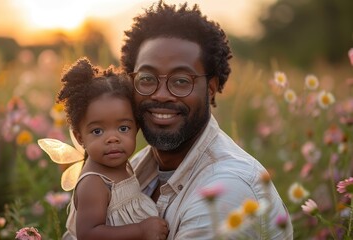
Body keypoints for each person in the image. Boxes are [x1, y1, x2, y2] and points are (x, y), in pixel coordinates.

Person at [120, 1, 293, 239]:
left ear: (210, 88)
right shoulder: (135, 168)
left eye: (181, 81)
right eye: (147, 78)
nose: (160, 94)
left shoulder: (226, 191)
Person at [39, 58, 168, 240]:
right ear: (79, 137)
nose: (112, 138)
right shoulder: (94, 183)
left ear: (136, 128)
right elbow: (88, 234)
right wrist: (141, 231)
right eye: (97, 131)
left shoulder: (122, 165)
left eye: (123, 128)